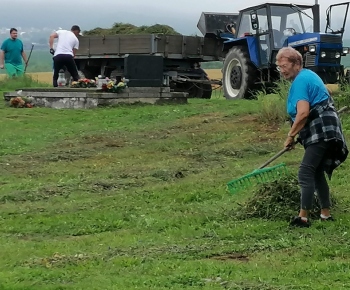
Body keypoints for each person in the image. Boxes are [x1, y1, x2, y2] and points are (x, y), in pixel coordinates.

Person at [276, 46, 348, 228]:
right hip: (326, 128)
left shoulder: (301, 80)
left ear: (296, 64)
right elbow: (326, 93)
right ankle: (325, 214)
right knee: (315, 171)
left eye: (284, 66)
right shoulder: (308, 76)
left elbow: (302, 113)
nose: (281, 70)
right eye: (279, 67)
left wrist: (290, 135)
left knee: (305, 171)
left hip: (321, 129)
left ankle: (303, 217)